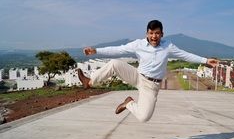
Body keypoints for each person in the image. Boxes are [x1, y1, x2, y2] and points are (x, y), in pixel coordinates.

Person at [77, 20, 218, 122]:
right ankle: (89, 82)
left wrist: (205, 61)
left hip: (151, 86)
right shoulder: (138, 44)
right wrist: (96, 50)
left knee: (144, 117)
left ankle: (128, 103)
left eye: (157, 33)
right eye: (151, 33)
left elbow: (185, 55)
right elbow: (118, 49)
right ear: (146, 33)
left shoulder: (168, 46)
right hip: (137, 76)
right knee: (114, 63)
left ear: (162, 34)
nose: (154, 36)